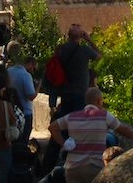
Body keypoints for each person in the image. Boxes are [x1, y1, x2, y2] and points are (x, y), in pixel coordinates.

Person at [40, 24, 101, 175]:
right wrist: (88, 39)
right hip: (80, 96)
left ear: (67, 36)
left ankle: (47, 168)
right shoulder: (85, 50)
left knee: (60, 130)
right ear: (80, 36)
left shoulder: (60, 50)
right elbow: (99, 55)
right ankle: (74, 165)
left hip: (64, 95)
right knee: (79, 132)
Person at [49, 87, 133, 183]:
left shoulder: (72, 116)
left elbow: (52, 127)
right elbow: (124, 131)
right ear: (99, 101)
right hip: (95, 167)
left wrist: (64, 143)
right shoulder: (104, 116)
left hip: (72, 168)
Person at [8, 56, 40, 144]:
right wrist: (38, 86)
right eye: (34, 69)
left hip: (10, 110)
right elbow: (31, 96)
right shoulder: (26, 75)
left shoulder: (9, 71)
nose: (33, 71)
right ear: (30, 65)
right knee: (22, 141)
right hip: (24, 112)